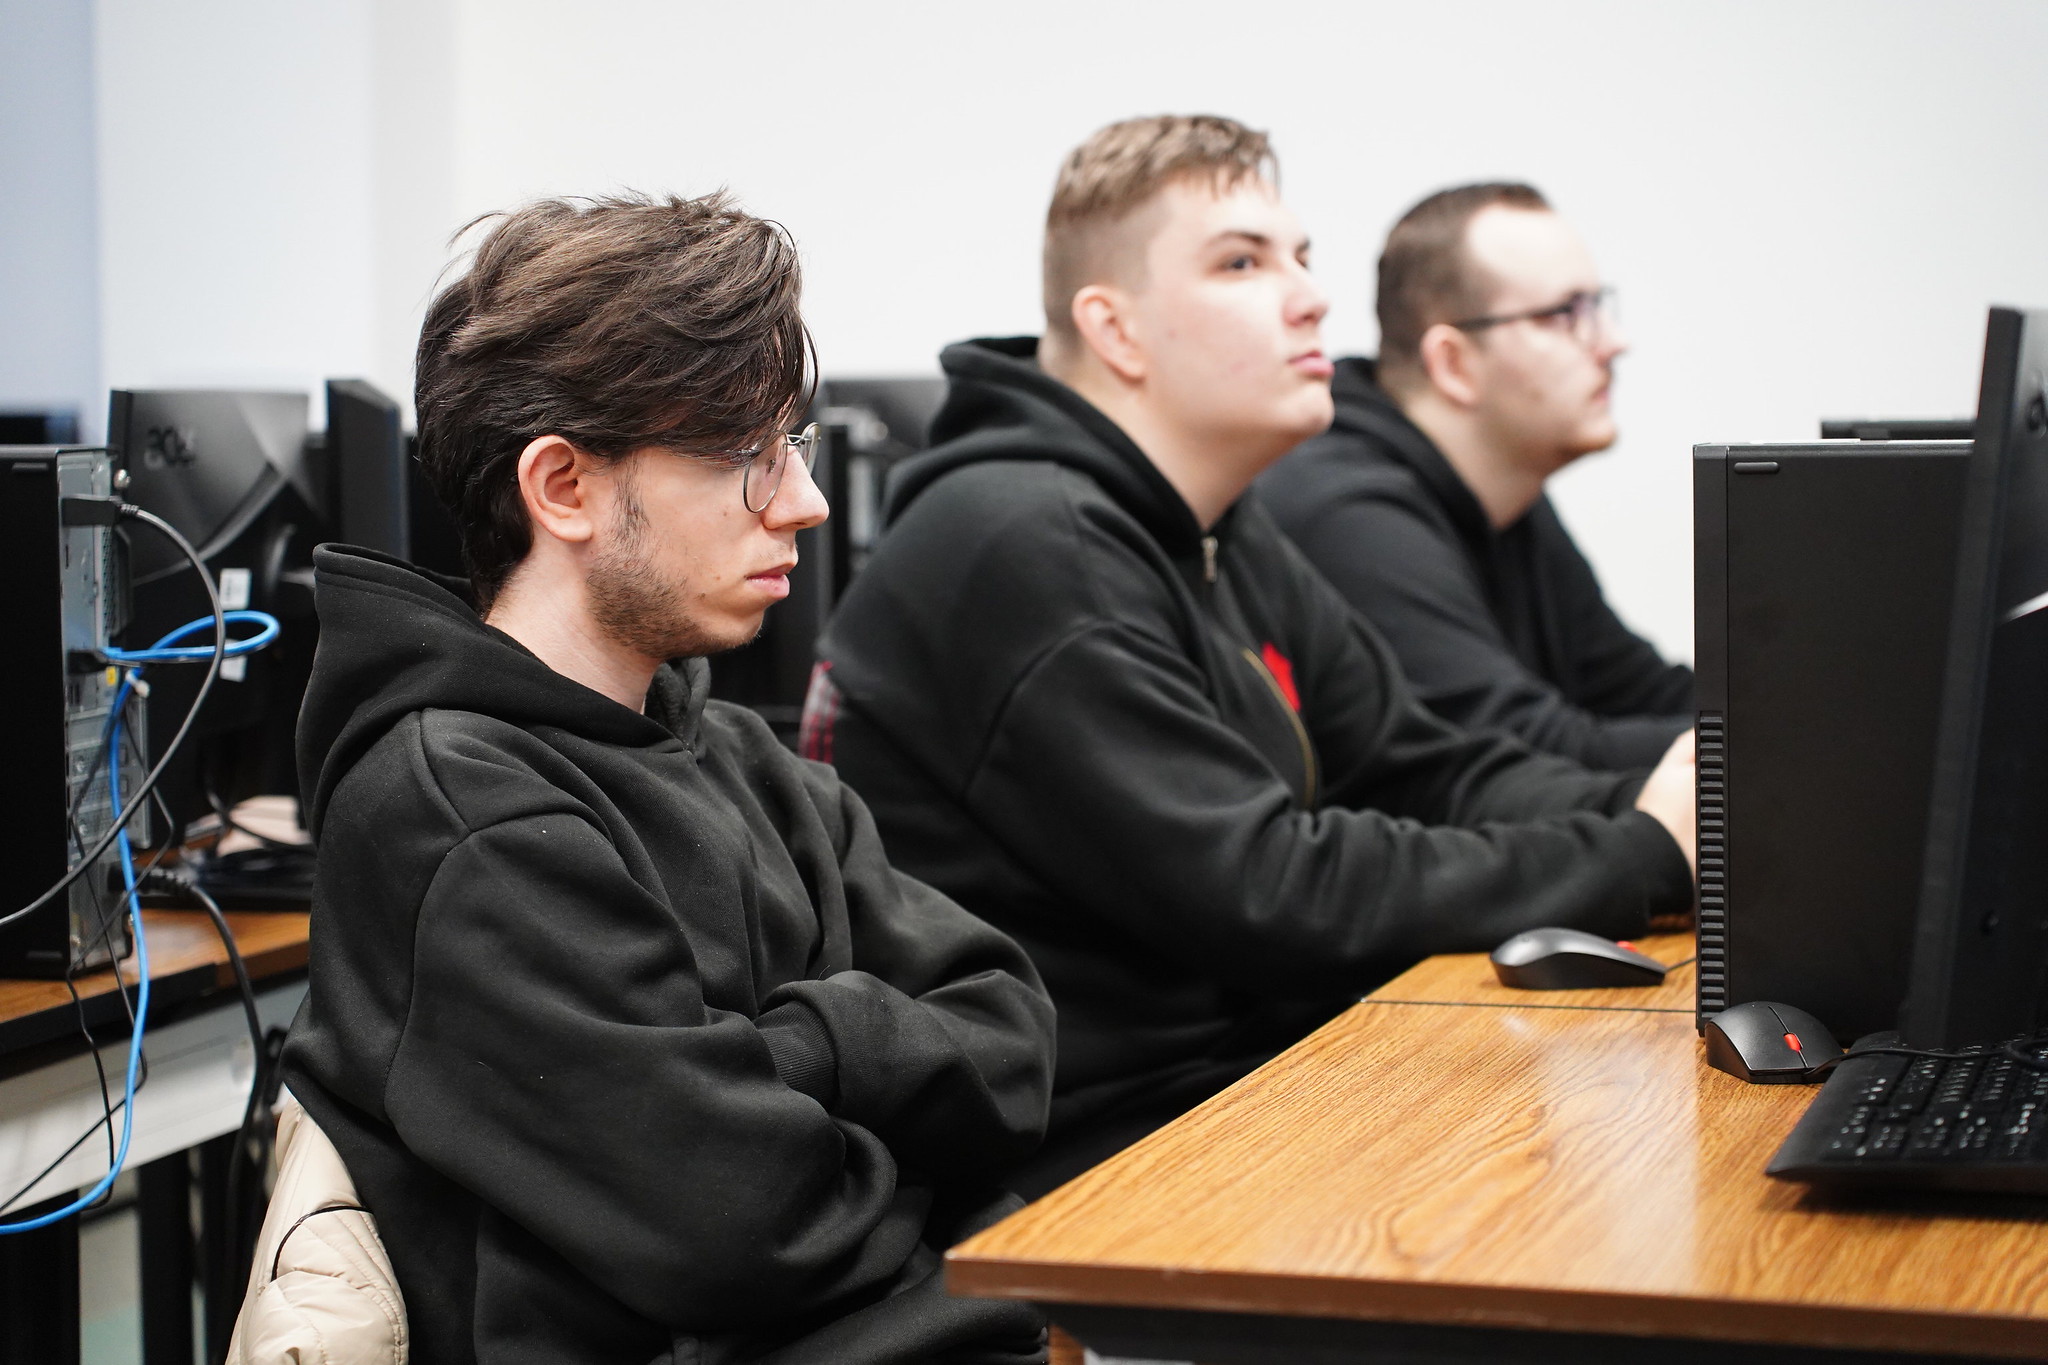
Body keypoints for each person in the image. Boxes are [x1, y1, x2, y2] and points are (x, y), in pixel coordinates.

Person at [801, 117, 1697, 1195]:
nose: (1310, 296)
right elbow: (1272, 891)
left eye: (1301, 257)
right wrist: (1641, 854)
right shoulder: (1026, 541)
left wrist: (1684, 811)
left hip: (1248, 1090)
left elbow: (1425, 768)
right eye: (1241, 263)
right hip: (1089, 1161)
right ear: (1117, 330)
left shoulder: (1217, 524)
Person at [280, 193, 1055, 1365]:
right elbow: (746, 1227)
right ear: (564, 488)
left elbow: (1013, 1037)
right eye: (743, 456)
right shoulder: (461, 818)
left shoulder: (737, 755)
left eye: (790, 447)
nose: (803, 501)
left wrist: (791, 1054)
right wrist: (902, 1125)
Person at [1257, 183, 1692, 768]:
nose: (1614, 343)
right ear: (1454, 363)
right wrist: (1768, 745)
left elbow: (1634, 690)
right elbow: (1521, 753)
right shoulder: (1347, 512)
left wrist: (1790, 714)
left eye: (1597, 307)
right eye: (1564, 315)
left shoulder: (1506, 495)